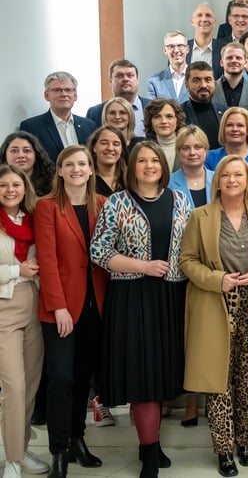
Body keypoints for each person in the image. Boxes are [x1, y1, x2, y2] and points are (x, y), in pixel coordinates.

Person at [89, 140, 192, 477]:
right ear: (131, 167)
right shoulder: (117, 202)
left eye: (155, 160)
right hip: (133, 299)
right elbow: (99, 252)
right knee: (143, 378)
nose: (149, 166)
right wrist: (143, 265)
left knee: (160, 376)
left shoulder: (179, 200)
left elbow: (191, 246)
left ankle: (153, 442)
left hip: (171, 298)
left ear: (163, 166)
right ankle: (148, 454)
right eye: (142, 161)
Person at [179, 155, 248, 476]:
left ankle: (245, 441)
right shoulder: (200, 216)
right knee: (218, 379)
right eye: (226, 175)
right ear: (217, 180)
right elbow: (187, 260)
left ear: (247, 180)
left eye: (239, 174)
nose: (233, 180)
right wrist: (216, 280)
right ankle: (224, 450)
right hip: (214, 304)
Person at [36, 147, 107, 476]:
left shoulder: (103, 205)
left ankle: (78, 439)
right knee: (61, 377)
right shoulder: (47, 207)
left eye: (82, 164)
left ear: (91, 170)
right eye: (70, 164)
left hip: (97, 305)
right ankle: (59, 450)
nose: (77, 169)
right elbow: (47, 260)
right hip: (61, 308)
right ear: (60, 171)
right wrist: (59, 306)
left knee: (82, 377)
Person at [0, 165, 48, 477]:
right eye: (2, 185)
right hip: (5, 306)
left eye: (15, 184)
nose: (9, 190)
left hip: (35, 305)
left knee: (30, 385)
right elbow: (22, 267)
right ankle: (12, 460)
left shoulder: (33, 219)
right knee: (13, 386)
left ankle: (22, 446)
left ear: (25, 187)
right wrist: (18, 271)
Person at [168, 126, 214, 209]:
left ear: (206, 150)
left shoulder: (218, 179)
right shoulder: (168, 184)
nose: (192, 152)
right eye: (186, 148)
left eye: (197, 147)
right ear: (178, 152)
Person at [205, 107, 248, 171]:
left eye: (240, 125)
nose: (234, 129)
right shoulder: (209, 158)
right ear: (223, 129)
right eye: (229, 125)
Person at [1, 132, 56, 197]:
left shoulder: (53, 184)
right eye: (14, 151)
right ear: (4, 154)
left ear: (36, 154)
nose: (20, 155)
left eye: (27, 150)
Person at [144, 98, 186, 170]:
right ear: (150, 122)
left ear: (177, 120)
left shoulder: (188, 147)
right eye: (157, 117)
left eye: (169, 116)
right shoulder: (144, 150)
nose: (163, 121)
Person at [88, 126, 128, 197]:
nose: (110, 148)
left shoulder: (130, 179)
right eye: (104, 143)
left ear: (122, 149)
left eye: (116, 144)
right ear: (94, 147)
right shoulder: (85, 179)